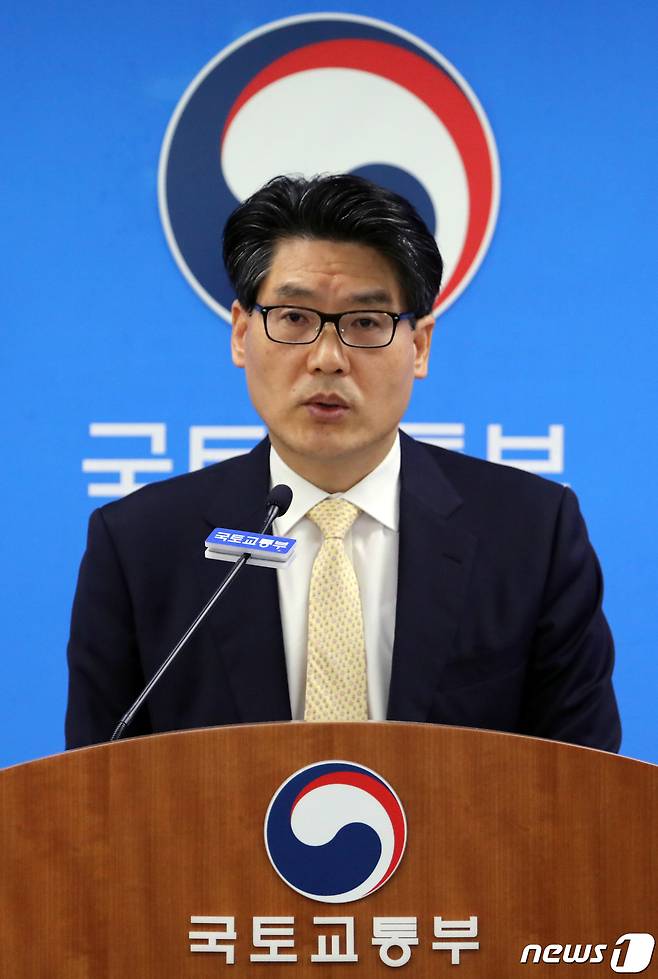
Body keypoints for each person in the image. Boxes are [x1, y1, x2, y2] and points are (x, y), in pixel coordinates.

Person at [65, 174, 621, 751]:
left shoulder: (531, 534)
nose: (327, 358)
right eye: (294, 318)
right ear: (240, 334)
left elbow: (585, 782)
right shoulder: (140, 546)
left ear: (419, 346)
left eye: (365, 323)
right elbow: (94, 789)